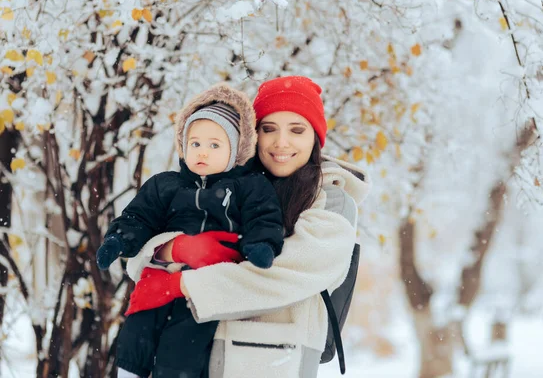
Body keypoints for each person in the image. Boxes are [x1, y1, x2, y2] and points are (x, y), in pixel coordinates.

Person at [124, 76, 371, 378]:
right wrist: (171, 248)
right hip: (188, 357)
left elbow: (281, 276)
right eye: (269, 129)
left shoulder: (332, 201)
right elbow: (138, 258)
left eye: (297, 130)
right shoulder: (226, 185)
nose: (281, 142)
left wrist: (179, 285)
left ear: (316, 138)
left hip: (269, 364)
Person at [97, 83, 285, 378]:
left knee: (182, 344)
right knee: (137, 331)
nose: (202, 152)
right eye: (195, 143)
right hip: (160, 276)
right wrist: (119, 240)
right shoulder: (166, 184)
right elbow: (139, 216)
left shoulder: (248, 186)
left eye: (214, 145)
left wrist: (260, 246)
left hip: (206, 285)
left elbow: (263, 218)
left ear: (235, 149)